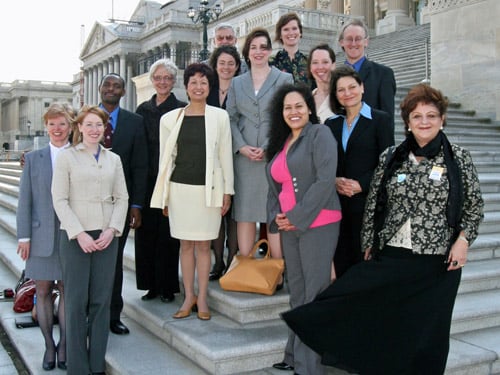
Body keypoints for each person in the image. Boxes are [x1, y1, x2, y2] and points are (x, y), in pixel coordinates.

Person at [282, 84, 484, 374]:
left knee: (429, 334)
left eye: (431, 115)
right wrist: (368, 243)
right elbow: (375, 202)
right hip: (393, 255)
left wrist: (463, 240)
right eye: (417, 116)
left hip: (437, 263)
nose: (424, 122)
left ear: (442, 119)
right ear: (408, 122)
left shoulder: (459, 158)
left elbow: (474, 205)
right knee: (386, 323)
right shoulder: (392, 156)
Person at [266, 84, 341, 375]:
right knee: (296, 292)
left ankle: (310, 367)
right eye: (287, 107)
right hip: (289, 227)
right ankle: (295, 356)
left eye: (299, 106)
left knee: (313, 295)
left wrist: (296, 215)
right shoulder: (282, 141)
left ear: (309, 108)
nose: (293, 112)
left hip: (318, 224)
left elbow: (325, 181)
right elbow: (275, 188)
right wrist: (278, 217)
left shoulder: (320, 134)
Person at [150, 63, 234, 321]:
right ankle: (188, 297)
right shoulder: (169, 119)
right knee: (185, 246)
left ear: (210, 87)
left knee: (204, 246)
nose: (198, 87)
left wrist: (227, 192)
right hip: (180, 190)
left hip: (209, 190)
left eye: (204, 82)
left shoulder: (220, 116)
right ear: (186, 87)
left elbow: (225, 156)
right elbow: (166, 160)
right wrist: (164, 196)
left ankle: (204, 298)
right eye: (193, 82)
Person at [52, 105, 129, 375]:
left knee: (100, 302)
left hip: (107, 237)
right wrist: (79, 233)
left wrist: (112, 230)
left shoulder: (114, 160)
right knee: (75, 303)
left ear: (105, 128)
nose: (95, 129)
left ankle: (97, 365)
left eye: (100, 125)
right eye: (89, 124)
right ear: (80, 127)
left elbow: (122, 198)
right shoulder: (67, 157)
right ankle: (78, 367)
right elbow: (59, 199)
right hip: (75, 238)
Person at [226, 27, 293, 260]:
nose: (258, 51)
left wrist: (268, 146)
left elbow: (286, 115)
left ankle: (276, 269)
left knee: (273, 213)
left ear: (270, 50)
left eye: (263, 47)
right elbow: (231, 118)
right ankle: (245, 265)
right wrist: (241, 146)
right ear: (247, 52)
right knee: (244, 213)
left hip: (272, 156)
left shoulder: (284, 79)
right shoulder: (236, 83)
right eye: (253, 47)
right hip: (244, 159)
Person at [16, 103, 74, 371]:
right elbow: (24, 200)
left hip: (70, 236)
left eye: (62, 123)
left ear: (70, 125)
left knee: (66, 291)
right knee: (43, 291)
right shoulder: (34, 159)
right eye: (52, 124)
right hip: (39, 237)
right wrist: (23, 237)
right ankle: (49, 346)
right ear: (46, 126)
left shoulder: (79, 154)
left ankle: (64, 346)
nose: (57, 129)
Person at [325, 66, 394, 278]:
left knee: (364, 267)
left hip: (367, 205)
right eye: (341, 90)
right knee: (341, 263)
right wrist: (334, 180)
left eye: (352, 87)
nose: (347, 93)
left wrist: (362, 184)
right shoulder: (331, 124)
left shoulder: (380, 119)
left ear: (362, 87)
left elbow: (389, 162)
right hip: (338, 206)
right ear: (335, 95)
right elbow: (326, 163)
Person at [98, 73, 148, 335]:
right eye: (107, 84)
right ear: (99, 88)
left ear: (123, 91)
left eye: (117, 86)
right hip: (88, 206)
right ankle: (87, 314)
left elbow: (140, 166)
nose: (111, 89)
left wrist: (137, 206)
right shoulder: (84, 120)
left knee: (114, 263)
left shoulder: (134, 122)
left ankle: (112, 315)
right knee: (88, 264)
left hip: (120, 206)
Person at [135, 59, 186, 302]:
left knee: (168, 235)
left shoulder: (182, 109)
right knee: (147, 235)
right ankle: (151, 285)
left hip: (172, 178)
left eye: (167, 78)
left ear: (173, 81)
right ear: (152, 80)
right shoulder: (142, 110)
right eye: (158, 78)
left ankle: (167, 286)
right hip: (146, 179)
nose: (163, 82)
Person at [207, 45, 241, 279]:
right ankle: (217, 262)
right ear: (215, 65)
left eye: (231, 63)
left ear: (237, 66)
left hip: (238, 158)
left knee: (236, 214)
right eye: (222, 63)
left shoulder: (242, 88)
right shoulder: (207, 90)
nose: (226, 67)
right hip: (212, 161)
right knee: (217, 213)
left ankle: (232, 263)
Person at [338, 18, 396, 127]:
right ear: (342, 42)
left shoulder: (383, 74)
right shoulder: (334, 77)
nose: (354, 43)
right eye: (349, 39)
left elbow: (387, 119)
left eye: (358, 39)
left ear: (366, 42)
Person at [269, 12, 310, 86]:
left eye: (294, 28)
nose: (291, 33)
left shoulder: (309, 63)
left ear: (300, 32)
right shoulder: (272, 63)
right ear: (280, 35)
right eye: (286, 29)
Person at [307, 44, 336, 123]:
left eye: (325, 62)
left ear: (333, 65)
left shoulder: (342, 97)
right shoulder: (306, 99)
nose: (320, 67)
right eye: (315, 62)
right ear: (310, 67)